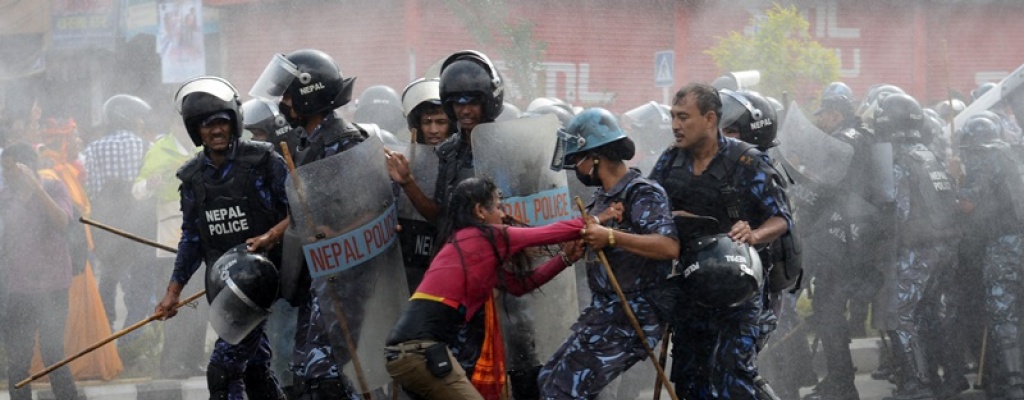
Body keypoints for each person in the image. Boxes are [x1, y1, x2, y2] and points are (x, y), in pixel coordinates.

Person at [648, 83, 791, 400]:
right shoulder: (671, 161)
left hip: (739, 290)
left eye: (684, 117)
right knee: (689, 378)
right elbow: (647, 203)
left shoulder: (747, 162)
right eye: (673, 116)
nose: (675, 125)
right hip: (690, 288)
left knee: (732, 375)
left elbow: (781, 218)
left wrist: (753, 234)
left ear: (710, 119)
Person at [385, 176, 587, 400]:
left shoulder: (467, 248)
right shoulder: (482, 236)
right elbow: (548, 233)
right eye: (499, 207)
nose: (503, 215)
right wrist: (598, 220)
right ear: (480, 211)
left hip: (409, 355)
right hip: (419, 353)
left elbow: (519, 285)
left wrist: (565, 259)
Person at [251, 48, 378, 399]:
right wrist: (273, 235)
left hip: (345, 277)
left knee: (329, 375)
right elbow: (307, 209)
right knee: (305, 371)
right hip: (317, 275)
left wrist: (338, 234)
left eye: (289, 95)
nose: (284, 103)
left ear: (310, 94)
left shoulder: (345, 142)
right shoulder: (306, 142)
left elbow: (377, 205)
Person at [154, 76, 290, 400]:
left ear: (234, 123)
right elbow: (191, 240)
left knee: (221, 370)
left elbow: (302, 211)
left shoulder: (265, 162)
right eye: (206, 125)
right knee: (256, 371)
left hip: (264, 280)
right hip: (224, 285)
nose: (215, 130)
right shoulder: (192, 178)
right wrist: (173, 292)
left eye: (221, 122)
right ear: (195, 130)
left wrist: (272, 236)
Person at [538, 108, 679, 399]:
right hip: (604, 311)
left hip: (634, 312)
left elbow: (668, 247)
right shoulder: (603, 197)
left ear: (596, 156)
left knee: (562, 392)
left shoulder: (642, 193)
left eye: (578, 159)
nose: (576, 166)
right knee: (548, 379)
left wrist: (611, 237)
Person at [871, 93, 960, 400]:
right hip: (943, 247)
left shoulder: (898, 160)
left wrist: (880, 248)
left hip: (916, 249)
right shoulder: (928, 154)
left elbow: (898, 212)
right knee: (930, 314)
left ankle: (916, 385)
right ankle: (942, 379)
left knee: (900, 316)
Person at [35, 118, 124, 381]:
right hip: (62, 257)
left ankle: (82, 362)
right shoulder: (50, 174)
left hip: (78, 252)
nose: (79, 142)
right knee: (67, 313)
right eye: (74, 138)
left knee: (81, 310)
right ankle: (64, 365)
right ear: (62, 143)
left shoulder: (67, 170)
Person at [1, 142, 80, 400]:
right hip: (18, 289)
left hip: (53, 287)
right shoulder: (5, 197)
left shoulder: (53, 187)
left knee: (53, 354)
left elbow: (61, 222)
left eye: (10, 170)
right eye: (3, 170)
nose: (5, 175)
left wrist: (36, 188)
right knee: (18, 361)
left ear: (27, 169)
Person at [132, 119, 206, 379]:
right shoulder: (159, 150)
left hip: (203, 235)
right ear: (175, 125)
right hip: (171, 238)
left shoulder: (203, 147)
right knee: (177, 302)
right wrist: (151, 183)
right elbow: (137, 190)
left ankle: (194, 359)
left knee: (200, 303)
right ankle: (172, 362)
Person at [958, 112, 1024, 400]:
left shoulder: (983, 158)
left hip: (1003, 243)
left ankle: (1012, 382)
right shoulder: (1014, 153)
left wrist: (954, 184)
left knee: (1002, 312)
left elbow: (969, 204)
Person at [81, 94, 154, 334]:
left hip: (106, 225)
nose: (142, 122)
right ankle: (133, 337)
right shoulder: (146, 146)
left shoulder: (93, 148)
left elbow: (89, 188)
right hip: (140, 225)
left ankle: (105, 332)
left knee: (109, 276)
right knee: (139, 282)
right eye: (139, 118)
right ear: (129, 118)